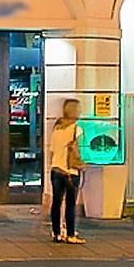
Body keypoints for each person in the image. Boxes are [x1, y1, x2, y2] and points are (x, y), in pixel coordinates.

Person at [45, 99, 84, 244]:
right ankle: (71, 234)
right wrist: (81, 163)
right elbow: (78, 151)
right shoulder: (76, 129)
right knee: (70, 204)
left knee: (56, 203)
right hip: (70, 172)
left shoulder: (57, 128)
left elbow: (52, 150)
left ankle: (56, 233)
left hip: (56, 170)